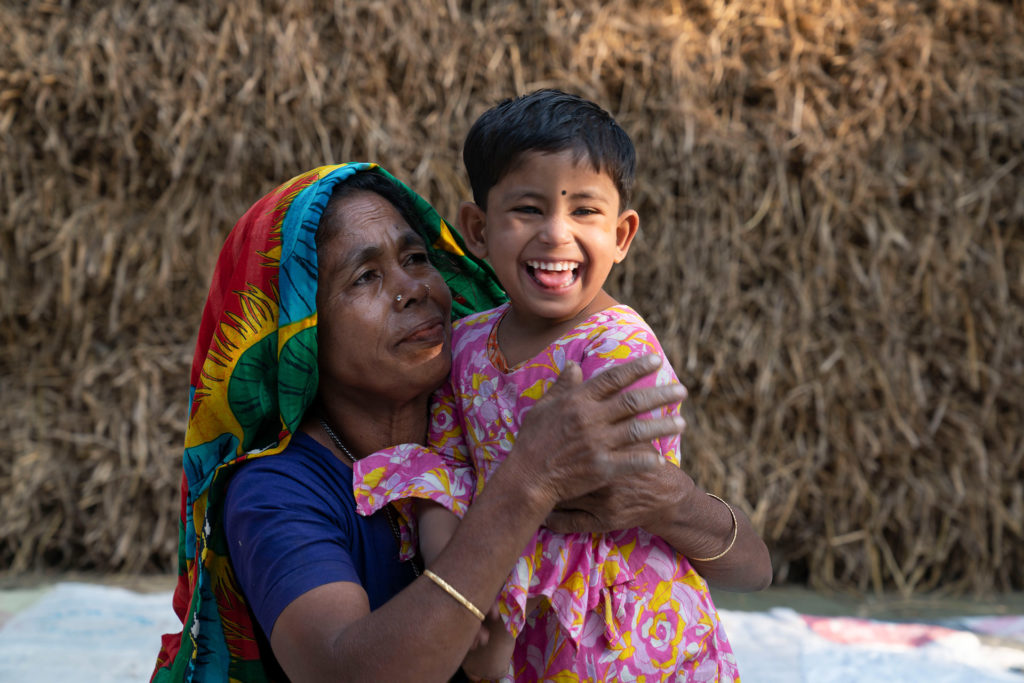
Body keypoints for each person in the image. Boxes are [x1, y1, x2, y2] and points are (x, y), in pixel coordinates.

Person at [151, 162, 754, 683]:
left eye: (416, 258)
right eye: (365, 277)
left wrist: (676, 505)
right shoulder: (279, 491)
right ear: (299, 330)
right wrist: (526, 482)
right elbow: (345, 674)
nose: (412, 287)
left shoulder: (493, 401)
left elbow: (753, 569)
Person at [352, 90, 771, 681]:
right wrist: (461, 593)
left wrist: (496, 608)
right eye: (528, 208)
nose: (556, 234)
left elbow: (603, 500)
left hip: (627, 633)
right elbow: (445, 472)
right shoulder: (467, 344)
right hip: (530, 627)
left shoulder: (618, 351)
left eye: (585, 212)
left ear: (622, 236)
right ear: (477, 229)